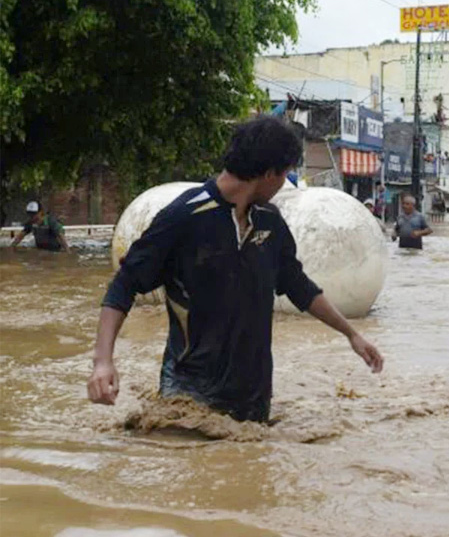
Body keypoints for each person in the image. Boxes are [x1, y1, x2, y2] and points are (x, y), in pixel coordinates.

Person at [86, 116, 383, 422]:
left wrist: (352, 334)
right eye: (284, 175)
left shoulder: (270, 221)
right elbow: (124, 284)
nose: (283, 184)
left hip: (253, 396)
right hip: (188, 392)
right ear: (269, 174)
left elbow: (298, 286)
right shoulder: (184, 216)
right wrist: (103, 361)